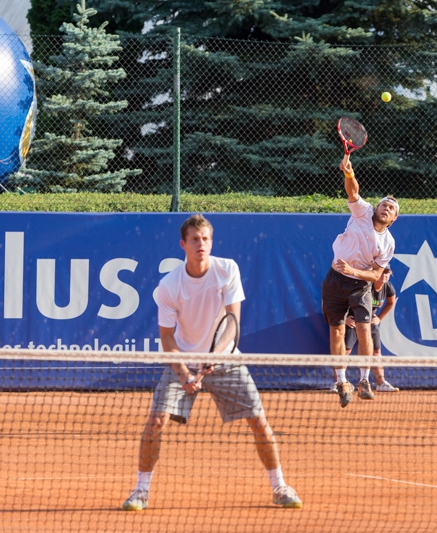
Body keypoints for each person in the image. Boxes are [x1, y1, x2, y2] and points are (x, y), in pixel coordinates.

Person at [122, 214, 302, 511]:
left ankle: (279, 486)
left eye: (205, 239)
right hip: (185, 359)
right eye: (194, 239)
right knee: (155, 422)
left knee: (259, 421)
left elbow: (232, 322)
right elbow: (167, 338)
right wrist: (183, 373)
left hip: (226, 359)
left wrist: (214, 357)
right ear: (183, 244)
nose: (200, 244)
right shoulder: (169, 286)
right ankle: (141, 491)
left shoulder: (226, 269)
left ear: (211, 242)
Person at [321, 153, 398, 408]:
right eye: (384, 204)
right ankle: (342, 382)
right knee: (337, 330)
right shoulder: (362, 211)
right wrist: (349, 173)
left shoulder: (388, 243)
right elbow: (353, 192)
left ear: (394, 219)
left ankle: (364, 380)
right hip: (334, 280)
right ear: (376, 207)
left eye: (391, 209)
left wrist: (353, 271)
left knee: (364, 327)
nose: (386, 208)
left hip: (360, 284)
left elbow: (376, 276)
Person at [331, 267, 399, 393]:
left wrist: (379, 318)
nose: (384, 275)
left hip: (370, 321)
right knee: (345, 351)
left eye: (387, 273)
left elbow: (391, 303)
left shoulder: (388, 287)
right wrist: (345, 318)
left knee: (376, 352)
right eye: (382, 272)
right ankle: (338, 383)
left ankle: (381, 383)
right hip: (353, 320)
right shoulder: (365, 284)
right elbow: (343, 301)